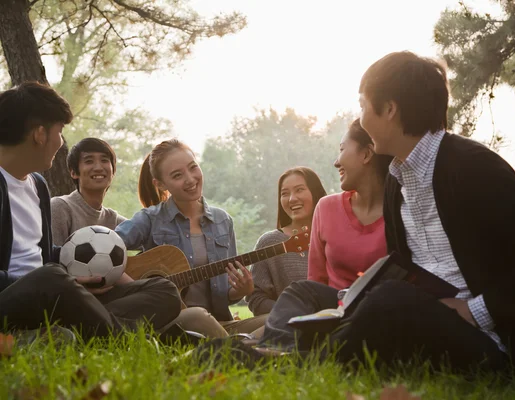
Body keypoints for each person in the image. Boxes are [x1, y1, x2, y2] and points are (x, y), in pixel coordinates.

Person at [259, 51, 515, 384]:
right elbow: (405, 268)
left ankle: (289, 364)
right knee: (305, 292)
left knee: (391, 299)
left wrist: (475, 310)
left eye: (362, 105)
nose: (361, 117)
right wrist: (353, 297)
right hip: (423, 319)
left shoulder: (472, 167)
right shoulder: (397, 183)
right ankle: (273, 352)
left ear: (389, 109)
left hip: (498, 348)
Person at [0, 82, 180, 340]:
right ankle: (122, 339)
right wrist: (56, 282)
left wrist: (86, 263)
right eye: (59, 132)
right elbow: (43, 274)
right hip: (14, 300)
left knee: (163, 291)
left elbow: (42, 252)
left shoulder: (37, 185)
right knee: (50, 277)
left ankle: (75, 330)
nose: (60, 142)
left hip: (55, 296)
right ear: (40, 134)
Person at [115, 139, 267, 338]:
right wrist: (135, 287)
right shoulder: (150, 219)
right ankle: (239, 349)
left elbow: (223, 293)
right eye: (177, 175)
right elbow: (106, 249)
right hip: (174, 323)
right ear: (160, 184)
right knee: (197, 315)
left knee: (278, 319)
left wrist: (239, 291)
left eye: (193, 167)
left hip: (220, 321)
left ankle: (234, 346)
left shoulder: (222, 221)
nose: (190, 179)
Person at [308, 119, 392, 289]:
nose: (336, 162)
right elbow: (314, 283)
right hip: (332, 311)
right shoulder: (326, 208)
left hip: (383, 310)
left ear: (366, 154)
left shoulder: (403, 211)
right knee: (298, 292)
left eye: (342, 149)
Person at [246, 167, 327, 316]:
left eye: (299, 190)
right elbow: (256, 299)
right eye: (284, 193)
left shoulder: (334, 235)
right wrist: (292, 312)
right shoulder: (269, 242)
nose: (292, 199)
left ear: (315, 192)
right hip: (288, 325)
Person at [51, 138, 125, 246]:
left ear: (113, 171)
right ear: (73, 172)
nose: (98, 168)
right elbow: (49, 259)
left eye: (104, 160)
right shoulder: (60, 208)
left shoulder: (114, 220)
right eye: (89, 161)